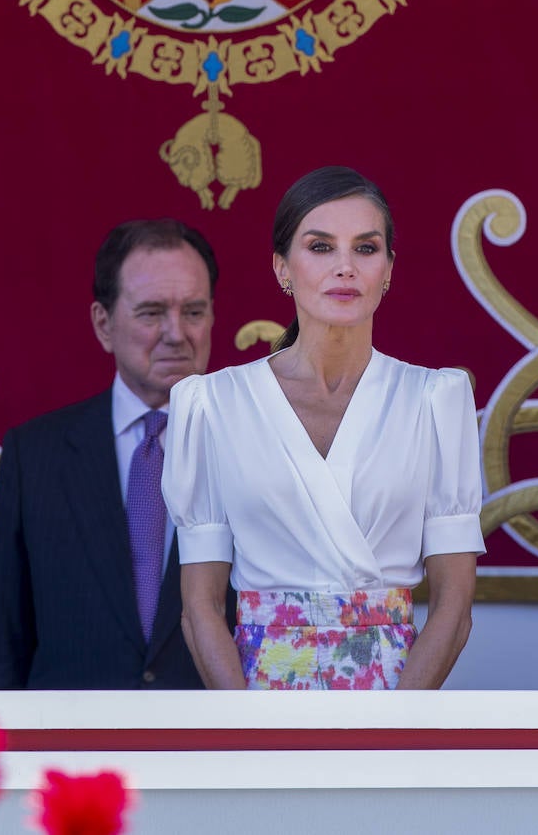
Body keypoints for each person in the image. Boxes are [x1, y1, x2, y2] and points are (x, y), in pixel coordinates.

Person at [168, 166, 485, 690]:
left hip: (394, 705)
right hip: (258, 707)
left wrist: (394, 733)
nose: (345, 267)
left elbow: (455, 607)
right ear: (281, 268)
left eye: (365, 248)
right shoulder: (212, 404)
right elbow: (199, 607)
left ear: (388, 269)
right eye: (320, 247)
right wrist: (247, 739)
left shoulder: (434, 400)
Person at [0, 218, 221, 689]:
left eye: (193, 311)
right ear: (104, 324)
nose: (175, 333)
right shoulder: (36, 455)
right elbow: (3, 647)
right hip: (71, 748)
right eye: (151, 313)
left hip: (213, 749)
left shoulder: (252, 448)